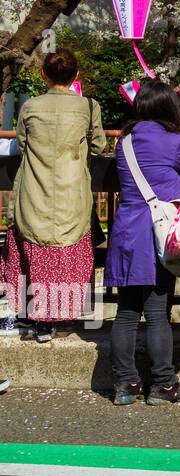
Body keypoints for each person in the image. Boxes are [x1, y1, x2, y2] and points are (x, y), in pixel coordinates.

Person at [106, 79, 180, 405]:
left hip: (125, 233)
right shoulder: (171, 140)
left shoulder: (123, 142)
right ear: (168, 106)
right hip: (156, 235)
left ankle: (126, 385)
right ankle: (164, 385)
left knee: (125, 313)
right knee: (157, 313)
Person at [1, 49, 106, 342]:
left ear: (43, 75)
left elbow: (22, 144)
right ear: (76, 76)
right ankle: (62, 316)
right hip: (72, 194)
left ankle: (33, 317)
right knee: (68, 252)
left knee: (31, 249)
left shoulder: (30, 107)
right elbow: (97, 147)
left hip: (34, 192)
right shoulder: (88, 106)